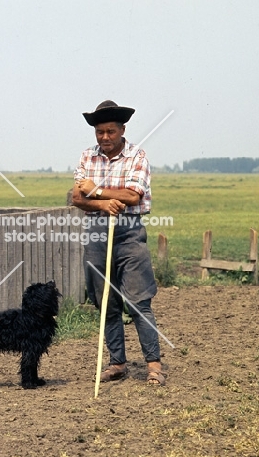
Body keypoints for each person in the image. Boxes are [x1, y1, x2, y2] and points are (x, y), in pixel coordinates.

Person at [72, 100, 166, 386]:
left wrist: (97, 190)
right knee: (105, 302)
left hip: (130, 233)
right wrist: (104, 205)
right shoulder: (88, 157)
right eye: (100, 132)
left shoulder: (137, 156)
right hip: (98, 233)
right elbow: (77, 198)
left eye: (110, 131)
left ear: (122, 130)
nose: (105, 138)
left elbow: (132, 197)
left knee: (138, 301)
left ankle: (154, 366)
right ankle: (117, 364)